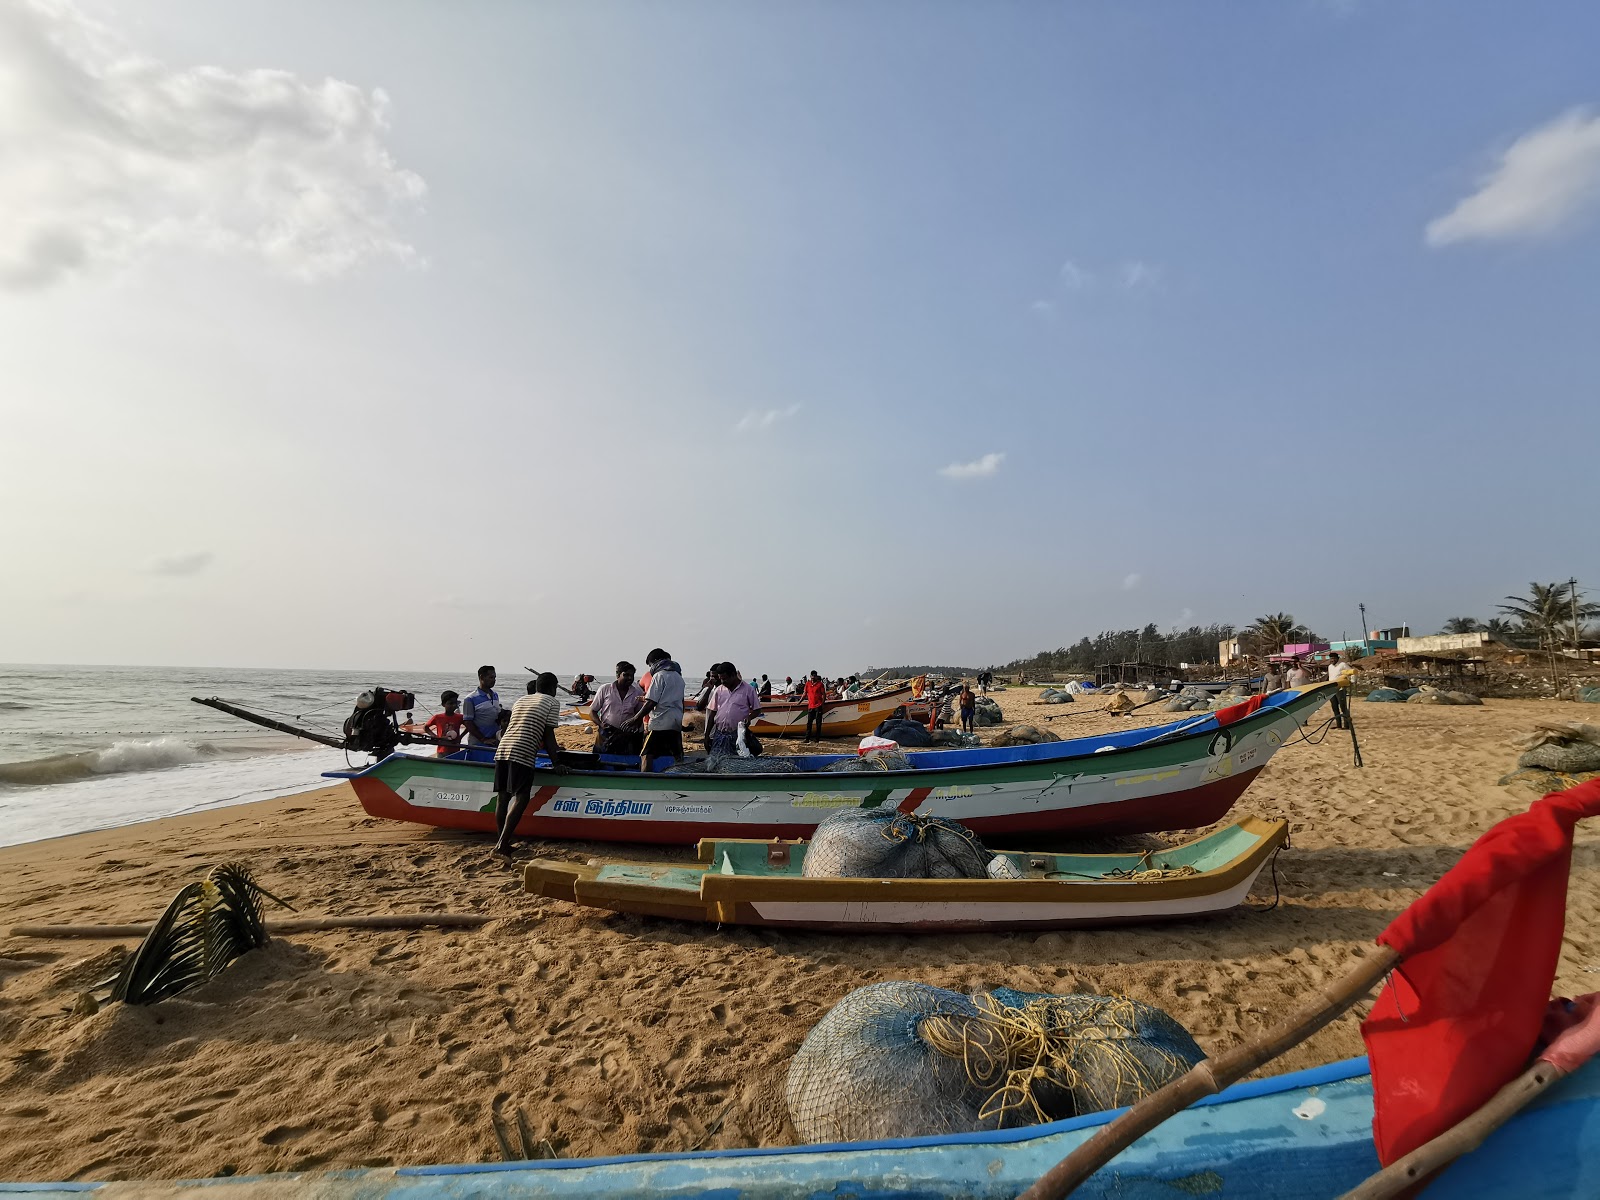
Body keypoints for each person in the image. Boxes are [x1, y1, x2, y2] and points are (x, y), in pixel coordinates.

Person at [492, 673, 564, 856]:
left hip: (503, 748)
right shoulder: (552, 702)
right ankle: (502, 845)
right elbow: (548, 736)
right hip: (522, 751)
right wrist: (557, 762)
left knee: (503, 797)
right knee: (522, 797)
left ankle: (502, 841)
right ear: (552, 688)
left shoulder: (522, 699)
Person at [629, 648, 686, 769]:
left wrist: (635, 718)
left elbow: (651, 702)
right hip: (675, 721)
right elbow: (681, 702)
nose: (650, 668)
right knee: (677, 755)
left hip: (660, 721)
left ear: (655, 662)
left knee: (646, 754)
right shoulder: (678, 677)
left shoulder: (659, 676)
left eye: (650, 664)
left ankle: (646, 781)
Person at [707, 662, 762, 757]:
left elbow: (757, 709)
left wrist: (749, 717)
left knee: (736, 761)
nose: (722, 682)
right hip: (720, 734)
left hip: (737, 734)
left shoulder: (748, 689)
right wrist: (706, 735)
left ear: (733, 675)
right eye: (720, 679)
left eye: (724, 679)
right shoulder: (719, 690)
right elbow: (712, 713)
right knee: (716, 761)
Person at [591, 661, 645, 756]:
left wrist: (635, 727)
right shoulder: (605, 689)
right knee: (602, 759)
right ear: (618, 675)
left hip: (627, 735)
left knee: (626, 762)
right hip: (606, 733)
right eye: (626, 675)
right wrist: (600, 724)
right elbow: (592, 711)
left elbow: (640, 714)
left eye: (632, 676)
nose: (629, 678)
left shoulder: (637, 692)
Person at [462, 666, 501, 747]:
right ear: (482, 677)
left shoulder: (495, 695)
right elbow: (468, 722)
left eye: (494, 678)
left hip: (494, 741)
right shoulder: (470, 698)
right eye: (490, 677)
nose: (493, 680)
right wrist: (483, 739)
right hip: (478, 743)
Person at [423, 690, 467, 757]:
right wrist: (434, 736)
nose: (454, 705)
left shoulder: (460, 717)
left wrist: (460, 737)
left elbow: (469, 727)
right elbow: (426, 727)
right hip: (442, 750)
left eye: (455, 703)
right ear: (443, 704)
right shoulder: (437, 717)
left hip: (455, 748)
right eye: (450, 703)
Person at [1327, 652, 1355, 730]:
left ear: (1337, 658)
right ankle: (1338, 725)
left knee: (1343, 707)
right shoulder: (1330, 667)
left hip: (1341, 688)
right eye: (1331, 658)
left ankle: (1346, 725)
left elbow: (1352, 672)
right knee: (1335, 707)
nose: (1332, 660)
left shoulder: (1342, 665)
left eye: (1334, 658)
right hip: (1332, 689)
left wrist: (1352, 681)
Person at [803, 670, 827, 742]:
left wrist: (822, 704)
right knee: (809, 723)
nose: (813, 677)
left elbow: (824, 694)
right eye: (812, 676)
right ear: (810, 676)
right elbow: (804, 694)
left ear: (816, 676)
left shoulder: (820, 684)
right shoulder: (807, 684)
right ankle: (807, 738)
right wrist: (799, 702)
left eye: (814, 676)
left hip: (818, 705)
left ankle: (817, 738)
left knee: (818, 723)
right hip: (810, 706)